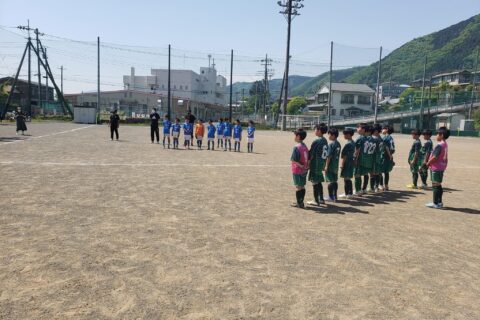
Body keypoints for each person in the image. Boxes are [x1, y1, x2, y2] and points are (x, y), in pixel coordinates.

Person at [425, 127, 450, 209]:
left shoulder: (440, 145)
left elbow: (435, 157)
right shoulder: (445, 144)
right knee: (438, 185)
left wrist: (428, 163)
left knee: (435, 185)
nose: (436, 136)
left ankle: (435, 203)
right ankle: (439, 202)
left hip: (436, 167)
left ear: (441, 135)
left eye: (437, 134)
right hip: (441, 167)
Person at [306, 123, 328, 206]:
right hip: (321, 163)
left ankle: (316, 200)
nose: (314, 131)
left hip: (315, 163)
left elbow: (311, 154)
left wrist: (308, 164)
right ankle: (321, 198)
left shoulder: (317, 141)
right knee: (319, 181)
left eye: (315, 129)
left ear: (319, 131)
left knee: (314, 181)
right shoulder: (324, 140)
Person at [290, 128, 309, 209]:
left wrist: (300, 165)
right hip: (304, 170)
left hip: (297, 170)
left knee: (298, 186)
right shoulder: (305, 146)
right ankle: (301, 202)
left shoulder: (296, 147)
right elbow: (308, 158)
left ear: (298, 136)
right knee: (302, 186)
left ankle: (299, 203)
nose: (294, 137)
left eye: (295, 135)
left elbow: (293, 159)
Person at [324, 128, 341, 202]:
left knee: (330, 181)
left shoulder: (331, 144)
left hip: (331, 165)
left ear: (333, 135)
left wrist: (326, 166)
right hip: (335, 165)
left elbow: (329, 156)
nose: (328, 136)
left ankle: (330, 196)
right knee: (334, 181)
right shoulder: (338, 144)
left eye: (329, 135)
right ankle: (335, 196)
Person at [339, 128, 355, 198]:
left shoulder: (348, 144)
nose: (344, 136)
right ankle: (349, 193)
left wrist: (342, 164)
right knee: (348, 178)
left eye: (344, 134)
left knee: (346, 178)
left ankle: (348, 193)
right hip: (351, 161)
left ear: (348, 135)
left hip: (347, 162)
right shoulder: (353, 142)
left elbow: (344, 156)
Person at [353, 123, 368, 195]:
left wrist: (355, 159)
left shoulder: (360, 138)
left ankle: (358, 190)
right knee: (365, 173)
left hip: (359, 159)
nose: (357, 129)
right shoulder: (367, 138)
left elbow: (357, 150)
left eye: (358, 127)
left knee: (357, 174)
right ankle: (363, 189)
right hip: (365, 159)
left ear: (363, 129)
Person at [380, 125, 395, 191]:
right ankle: (386, 185)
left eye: (383, 129)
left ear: (387, 130)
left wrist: (390, 156)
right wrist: (391, 156)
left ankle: (381, 185)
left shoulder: (385, 138)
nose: (382, 130)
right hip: (389, 157)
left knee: (379, 171)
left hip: (384, 156)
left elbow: (386, 147)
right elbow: (393, 149)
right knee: (386, 172)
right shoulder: (391, 138)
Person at [370, 124, 383, 192]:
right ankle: (376, 187)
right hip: (378, 157)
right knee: (377, 172)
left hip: (374, 157)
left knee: (373, 173)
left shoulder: (374, 139)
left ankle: (373, 187)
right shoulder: (380, 138)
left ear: (376, 131)